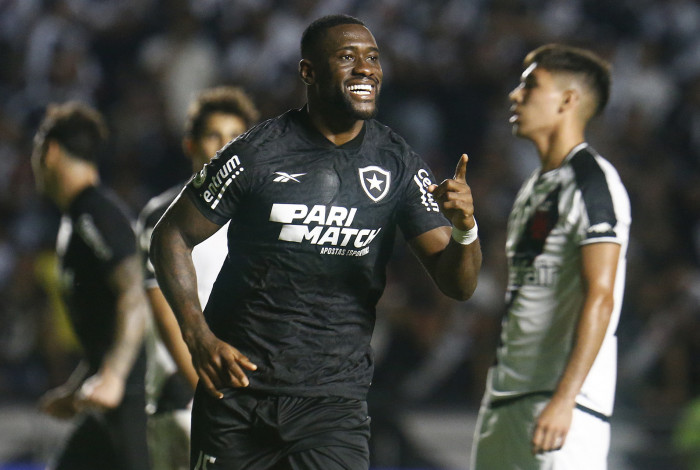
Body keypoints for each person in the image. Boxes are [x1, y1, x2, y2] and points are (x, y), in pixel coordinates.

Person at [149, 14, 482, 470]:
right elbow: (171, 234)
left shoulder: (397, 162)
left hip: (332, 405)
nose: (366, 68)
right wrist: (198, 337)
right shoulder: (257, 152)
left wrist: (466, 227)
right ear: (308, 72)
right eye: (347, 57)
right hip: (238, 395)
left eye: (373, 57)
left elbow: (458, 284)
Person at [470, 44, 631, 469]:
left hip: (562, 409)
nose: (515, 96)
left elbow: (602, 295)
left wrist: (565, 400)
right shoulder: (534, 187)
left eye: (530, 86)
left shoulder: (594, 183)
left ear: (567, 100)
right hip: (504, 402)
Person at [136, 86, 260, 470]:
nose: (224, 148)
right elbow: (165, 311)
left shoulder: (258, 218)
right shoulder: (163, 217)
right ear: (190, 144)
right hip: (183, 399)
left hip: (247, 399)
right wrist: (207, 393)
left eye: (234, 139)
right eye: (213, 136)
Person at [32, 101, 150, 470]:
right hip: (109, 398)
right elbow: (106, 325)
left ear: (50, 152)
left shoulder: (95, 214)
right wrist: (79, 387)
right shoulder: (81, 217)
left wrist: (113, 377)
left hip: (134, 400)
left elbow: (135, 295)